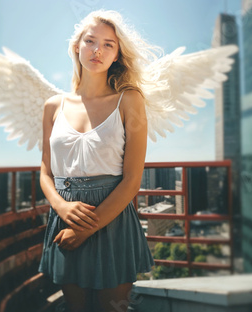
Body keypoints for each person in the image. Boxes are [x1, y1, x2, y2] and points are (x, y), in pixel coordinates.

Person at [38, 9, 158, 312]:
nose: (97, 50)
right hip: (66, 217)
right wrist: (61, 206)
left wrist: (86, 229)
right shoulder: (53, 106)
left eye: (109, 44)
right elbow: (45, 171)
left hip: (112, 218)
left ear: (117, 55)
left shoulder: (129, 100)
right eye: (90, 41)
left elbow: (132, 180)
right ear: (77, 46)